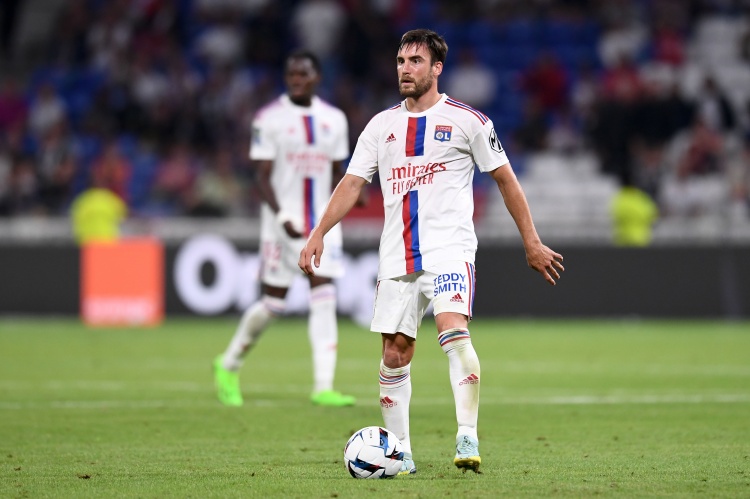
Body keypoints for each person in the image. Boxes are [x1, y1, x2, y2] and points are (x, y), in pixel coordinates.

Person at [299, 29, 564, 475]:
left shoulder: (469, 121)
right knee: (394, 354)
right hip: (397, 254)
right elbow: (352, 183)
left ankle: (467, 435)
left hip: (449, 249)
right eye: (400, 61)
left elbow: (506, 179)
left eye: (415, 61)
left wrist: (531, 241)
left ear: (437, 68)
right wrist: (318, 232)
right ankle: (400, 453)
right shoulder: (380, 126)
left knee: (452, 330)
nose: (405, 69)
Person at [213, 50, 358, 408]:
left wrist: (357, 194)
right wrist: (281, 218)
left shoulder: (335, 119)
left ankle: (323, 386)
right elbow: (260, 178)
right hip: (282, 224)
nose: (296, 80)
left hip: (322, 223)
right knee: (273, 304)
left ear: (317, 77)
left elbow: (338, 171)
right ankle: (228, 363)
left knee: (324, 295)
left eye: (303, 74)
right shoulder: (269, 119)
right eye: (291, 74)